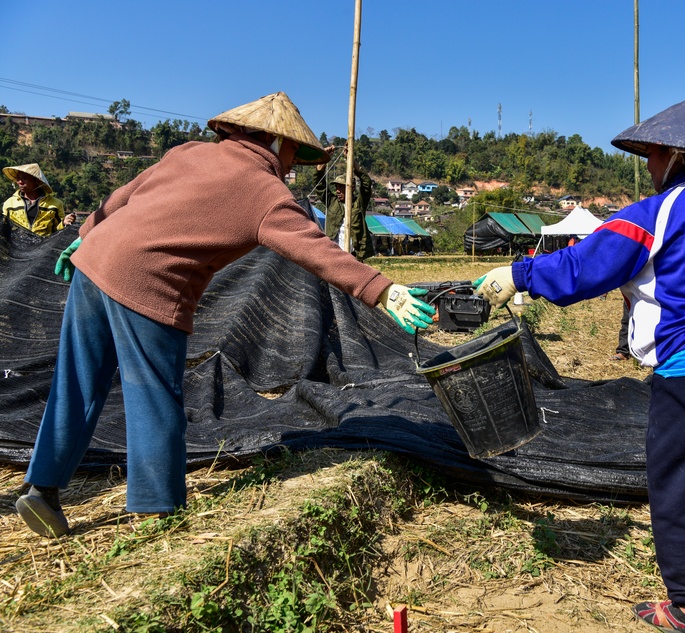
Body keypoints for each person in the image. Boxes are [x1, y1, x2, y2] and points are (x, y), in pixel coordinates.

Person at [14, 92, 435, 539]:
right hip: (149, 284)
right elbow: (317, 251)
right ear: (273, 142)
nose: (292, 166)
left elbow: (122, 198)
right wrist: (382, 291)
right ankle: (157, 509)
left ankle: (43, 490)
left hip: (92, 265)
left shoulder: (187, 153)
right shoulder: (266, 193)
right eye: (292, 152)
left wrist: (86, 235)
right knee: (154, 392)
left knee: (76, 381)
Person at [474, 98, 685, 633]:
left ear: (675, 155)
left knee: (680, 481)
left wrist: (519, 274)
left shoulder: (660, 211)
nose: (648, 165)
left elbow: (586, 267)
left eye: (651, 155)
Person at [315, 149, 374, 261]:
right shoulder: (332, 202)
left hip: (353, 255)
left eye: (341, 187)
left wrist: (351, 159)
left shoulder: (358, 204)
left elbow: (366, 184)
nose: (337, 190)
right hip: (333, 254)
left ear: (351, 188)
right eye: (336, 187)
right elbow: (319, 186)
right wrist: (323, 161)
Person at [3, 163, 76, 236]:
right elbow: (4, 228)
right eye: (18, 179)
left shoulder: (55, 204)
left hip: (44, 246)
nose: (20, 182)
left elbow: (57, 232)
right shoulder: (10, 203)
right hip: (17, 245)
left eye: (25, 178)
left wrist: (64, 223)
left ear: (37, 181)